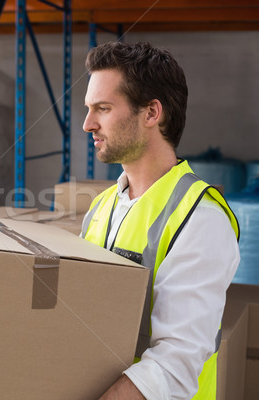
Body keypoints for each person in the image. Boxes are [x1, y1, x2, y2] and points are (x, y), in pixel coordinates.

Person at [80, 41, 240, 400]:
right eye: (89, 109)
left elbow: (174, 364)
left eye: (103, 108)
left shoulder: (201, 218)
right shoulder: (101, 207)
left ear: (152, 113)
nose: (87, 123)